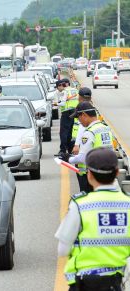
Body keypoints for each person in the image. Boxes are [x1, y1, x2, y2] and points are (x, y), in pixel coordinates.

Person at [55, 148, 130, 291]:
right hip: (116, 282)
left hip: (84, 282)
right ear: (116, 173)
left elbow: (62, 250)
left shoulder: (80, 204)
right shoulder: (128, 205)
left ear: (89, 175)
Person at [66, 102, 114, 193]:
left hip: (91, 178)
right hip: (106, 175)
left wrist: (68, 159)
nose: (79, 121)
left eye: (78, 118)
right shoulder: (105, 128)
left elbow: (83, 158)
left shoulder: (89, 133)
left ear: (84, 115)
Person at [57, 78, 79, 155]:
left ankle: (63, 150)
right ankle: (70, 149)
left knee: (63, 132)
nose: (61, 86)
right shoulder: (75, 90)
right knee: (70, 131)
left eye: (62, 84)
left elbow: (62, 103)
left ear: (65, 84)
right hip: (74, 112)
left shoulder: (64, 91)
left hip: (66, 112)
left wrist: (56, 104)